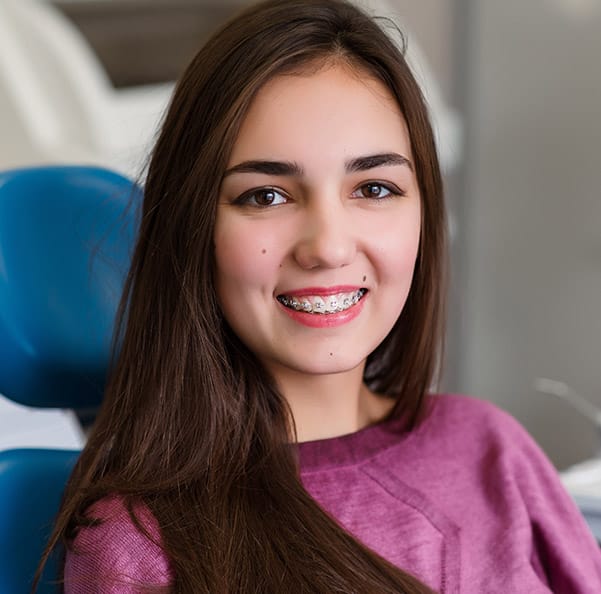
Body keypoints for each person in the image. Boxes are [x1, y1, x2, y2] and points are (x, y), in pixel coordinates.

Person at [37, 0, 601, 592]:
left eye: (375, 187)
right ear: (192, 227)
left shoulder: (491, 449)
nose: (328, 247)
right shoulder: (140, 544)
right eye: (266, 196)